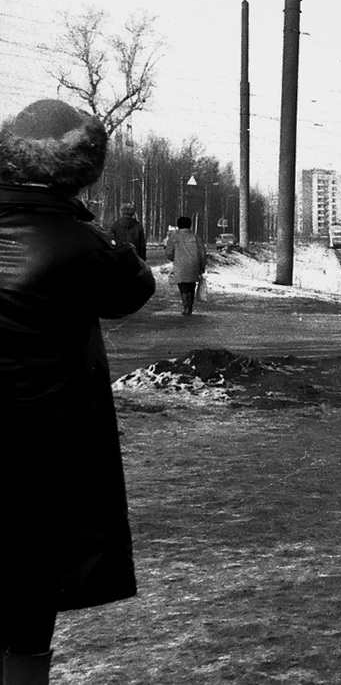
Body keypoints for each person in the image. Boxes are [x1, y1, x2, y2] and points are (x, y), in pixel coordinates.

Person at [0, 99, 155, 685]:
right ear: (77, 167)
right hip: (47, 448)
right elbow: (133, 288)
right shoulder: (75, 244)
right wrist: (102, 233)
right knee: (32, 594)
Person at [165, 215, 207, 315]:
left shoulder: (174, 237)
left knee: (183, 287)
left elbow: (169, 252)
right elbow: (202, 253)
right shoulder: (195, 237)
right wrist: (202, 265)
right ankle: (190, 307)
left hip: (180, 265)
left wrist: (173, 259)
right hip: (194, 264)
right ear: (189, 225)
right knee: (191, 286)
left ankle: (186, 307)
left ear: (178, 225)